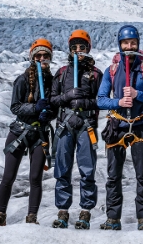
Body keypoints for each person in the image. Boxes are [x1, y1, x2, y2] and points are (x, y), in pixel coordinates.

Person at [97, 25, 143, 231]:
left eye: (133, 42)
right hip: (117, 125)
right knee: (114, 176)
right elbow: (100, 100)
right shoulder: (112, 70)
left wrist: (137, 95)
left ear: (138, 43)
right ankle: (113, 219)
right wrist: (118, 103)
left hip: (140, 125)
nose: (129, 46)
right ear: (120, 44)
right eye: (125, 43)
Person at [0, 38, 55, 227]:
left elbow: (56, 106)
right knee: (8, 177)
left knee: (35, 178)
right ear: (32, 57)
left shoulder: (53, 81)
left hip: (40, 134)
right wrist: (35, 108)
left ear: (50, 58)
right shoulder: (23, 79)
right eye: (38, 55)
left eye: (45, 55)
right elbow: (15, 107)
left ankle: (31, 218)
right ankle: (0, 216)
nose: (42, 58)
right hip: (20, 132)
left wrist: (49, 113)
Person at [50, 29, 103, 229]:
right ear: (70, 50)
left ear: (88, 48)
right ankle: (62, 211)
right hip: (65, 126)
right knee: (62, 169)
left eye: (82, 47)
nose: (78, 50)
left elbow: (103, 100)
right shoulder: (62, 73)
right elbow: (52, 100)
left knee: (87, 170)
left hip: (86, 126)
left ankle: (85, 212)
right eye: (75, 47)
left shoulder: (96, 74)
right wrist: (67, 96)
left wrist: (85, 102)